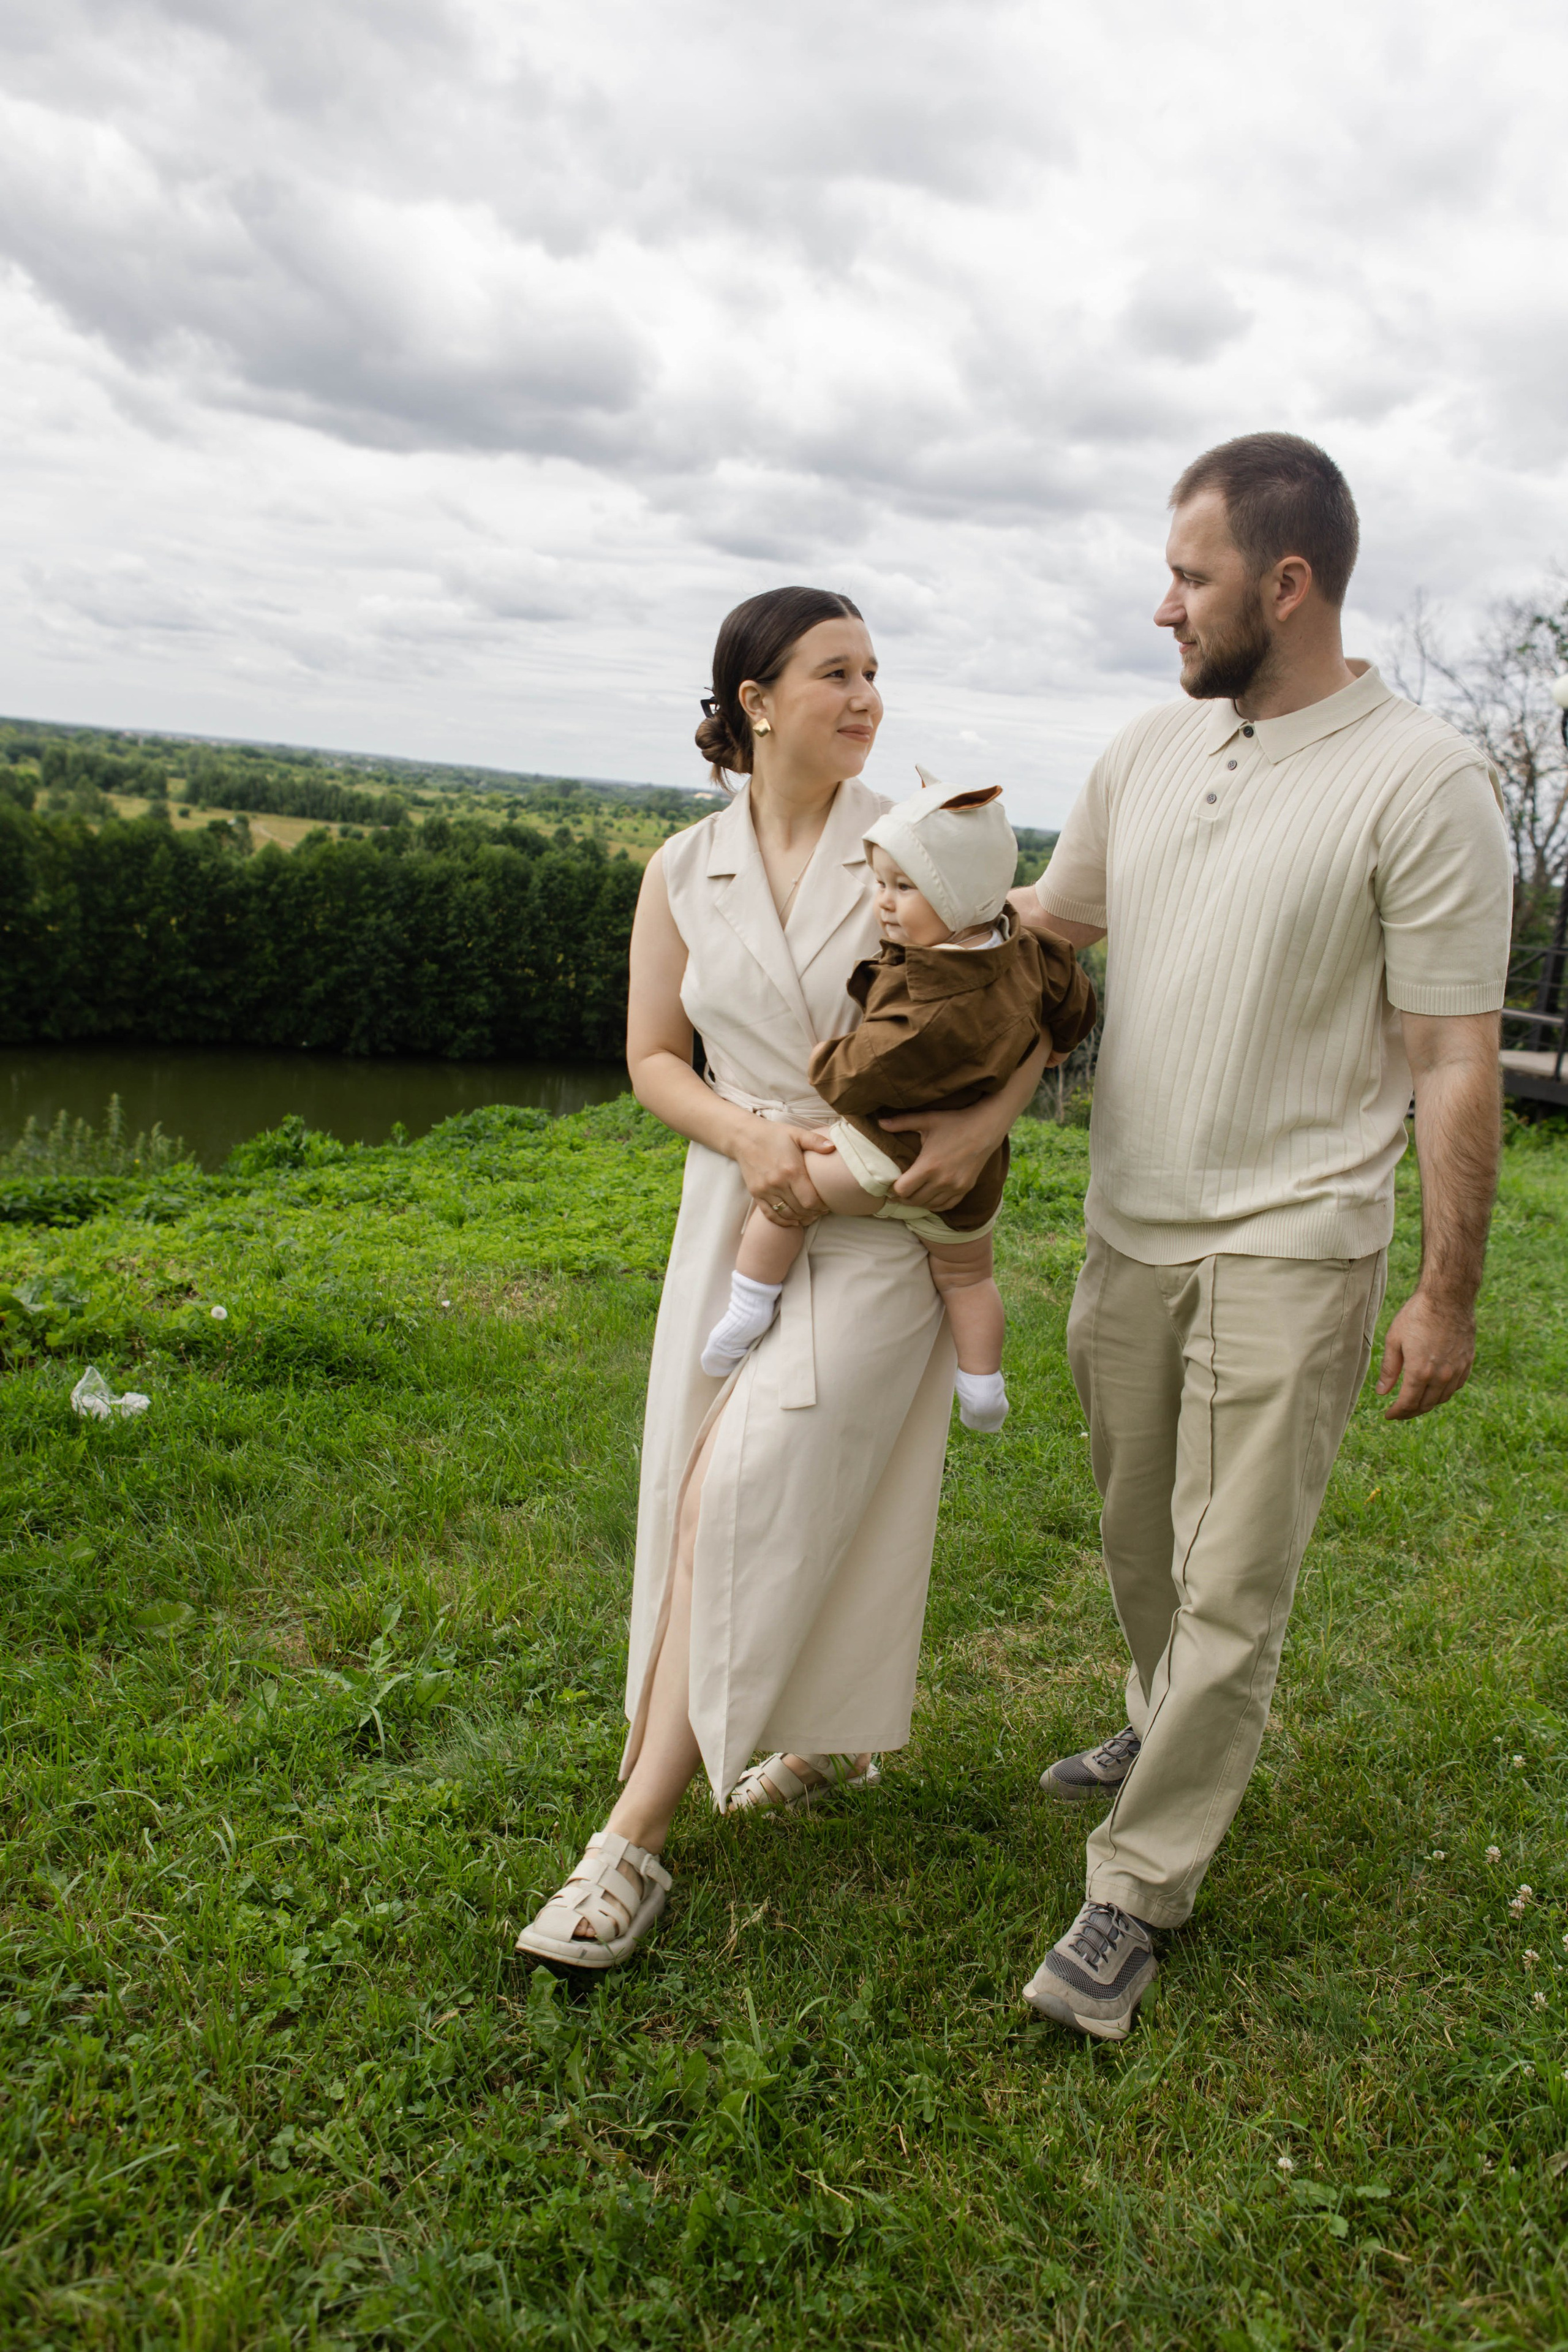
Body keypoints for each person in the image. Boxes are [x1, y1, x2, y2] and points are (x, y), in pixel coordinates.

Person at [1011, 432, 1512, 2041]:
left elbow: (1451, 1055)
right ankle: (1159, 1718)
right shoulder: (1146, 754)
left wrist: (1445, 1291)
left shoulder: (1419, 779)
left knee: (1235, 1577)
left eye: (1191, 576)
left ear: (1286, 586)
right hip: (1128, 1218)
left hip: (1297, 1238)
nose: (1165, 609)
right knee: (1142, 1538)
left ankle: (1134, 1890)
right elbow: (1045, 927)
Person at [513, 587, 1058, 1972]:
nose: (866, 693)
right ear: (754, 701)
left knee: (742, 1488)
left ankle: (625, 1844)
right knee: (724, 1484)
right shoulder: (676, 867)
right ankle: (818, 1736)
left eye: (875, 670)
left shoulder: (919, 843)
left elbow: (1034, 999)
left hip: (878, 1227)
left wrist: (976, 1136)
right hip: (734, 1204)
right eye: (835, 671)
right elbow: (650, 1060)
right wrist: (750, 1137)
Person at [699, 769, 1095, 1433]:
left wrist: (824, 1063)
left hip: (880, 1154)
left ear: (959, 892)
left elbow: (858, 1074)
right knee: (968, 1279)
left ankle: (745, 1311)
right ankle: (982, 1385)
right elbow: (1074, 1001)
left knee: (786, 1203)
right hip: (974, 1181)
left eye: (904, 888)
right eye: (879, 881)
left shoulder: (934, 1000)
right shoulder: (1030, 952)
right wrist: (1054, 1043)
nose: (881, 901)